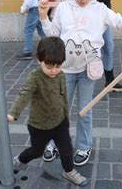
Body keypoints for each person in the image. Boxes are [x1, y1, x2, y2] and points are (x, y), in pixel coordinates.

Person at [38, 0, 122, 166]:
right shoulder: (63, 8)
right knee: (59, 110)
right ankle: (53, 142)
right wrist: (44, 17)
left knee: (84, 111)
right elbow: (52, 34)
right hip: (65, 69)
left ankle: (84, 146)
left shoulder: (100, 10)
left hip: (89, 70)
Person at [8, 37, 88, 186]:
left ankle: (69, 171)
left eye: (58, 66)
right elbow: (24, 94)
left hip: (59, 122)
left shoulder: (61, 75)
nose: (54, 71)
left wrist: (65, 117)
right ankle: (20, 160)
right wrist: (13, 113)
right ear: (39, 60)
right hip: (39, 125)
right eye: (49, 66)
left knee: (67, 149)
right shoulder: (35, 77)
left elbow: (62, 97)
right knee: (37, 151)